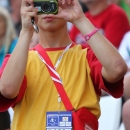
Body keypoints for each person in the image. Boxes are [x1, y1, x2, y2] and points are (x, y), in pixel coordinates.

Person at [0, 0, 127, 129]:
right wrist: (26, 30)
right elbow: (7, 90)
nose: (47, 9)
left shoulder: (86, 56)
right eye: (40, 4)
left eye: (53, 3)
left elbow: (117, 69)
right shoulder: (20, 61)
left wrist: (79, 19)